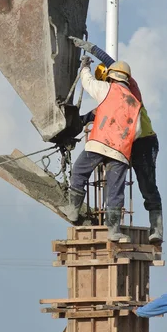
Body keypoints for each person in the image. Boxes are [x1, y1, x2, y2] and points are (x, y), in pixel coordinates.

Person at [69, 36, 163, 244]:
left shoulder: (131, 90)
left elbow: (111, 62)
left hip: (143, 142)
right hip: (123, 143)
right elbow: (97, 113)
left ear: (111, 79)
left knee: (147, 185)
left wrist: (92, 49)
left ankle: (156, 229)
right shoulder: (114, 96)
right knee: (116, 185)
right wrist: (76, 125)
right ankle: (115, 227)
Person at [65, 56, 142, 242]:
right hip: (120, 152)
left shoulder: (107, 89)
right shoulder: (135, 103)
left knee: (79, 172)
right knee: (115, 190)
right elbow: (137, 131)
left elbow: (88, 82)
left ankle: (73, 210)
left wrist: (84, 68)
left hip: (99, 142)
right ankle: (113, 230)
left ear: (111, 77)